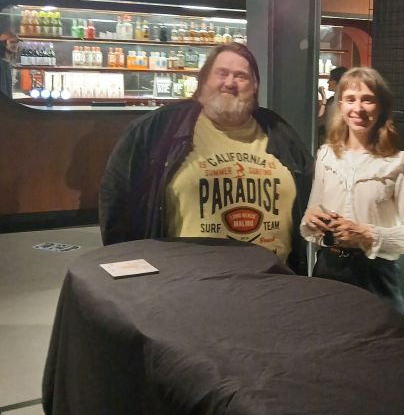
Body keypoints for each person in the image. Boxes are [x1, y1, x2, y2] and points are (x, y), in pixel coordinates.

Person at [99, 42, 313, 273]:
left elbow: (310, 191)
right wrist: (129, 269)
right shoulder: (158, 129)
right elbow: (118, 202)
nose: (230, 83)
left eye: (241, 76)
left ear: (254, 86)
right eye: (221, 73)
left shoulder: (279, 130)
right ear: (203, 81)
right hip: (190, 280)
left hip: (272, 278)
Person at [301, 66, 404, 310]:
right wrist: (311, 220)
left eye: (367, 100)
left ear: (381, 107)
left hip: (375, 276)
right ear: (340, 105)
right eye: (350, 99)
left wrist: (367, 235)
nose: (358, 108)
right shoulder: (326, 155)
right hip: (328, 270)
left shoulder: (400, 163)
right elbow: (311, 217)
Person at [319, 64, 347, 144]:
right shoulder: (331, 100)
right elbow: (321, 119)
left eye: (330, 79)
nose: (328, 82)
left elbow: (321, 121)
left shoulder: (342, 102)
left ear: (337, 81)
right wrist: (324, 98)